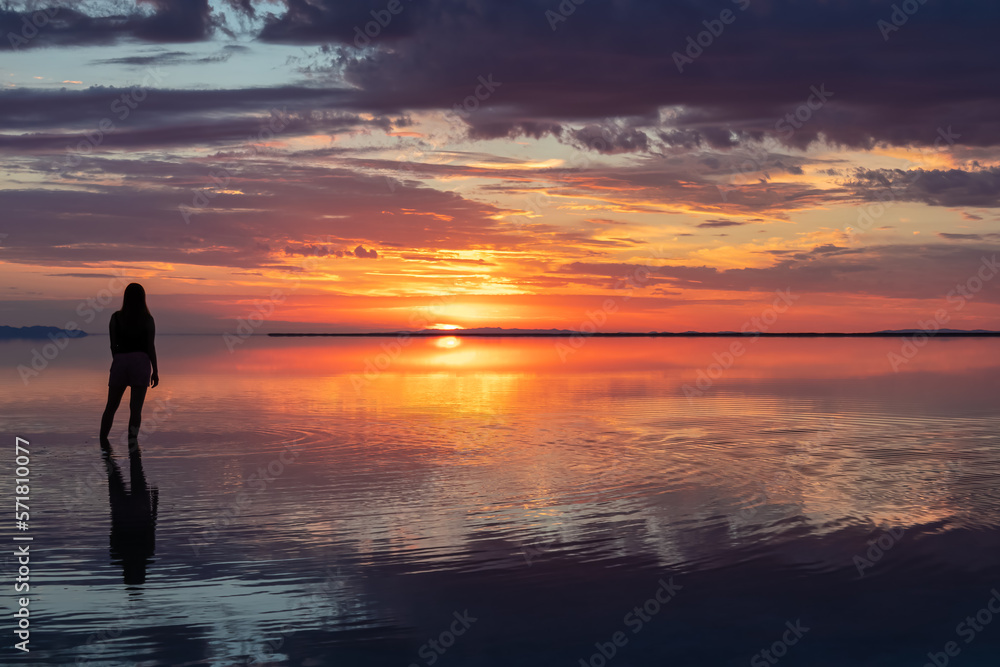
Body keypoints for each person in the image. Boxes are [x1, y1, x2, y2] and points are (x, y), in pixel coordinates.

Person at [100, 283, 159, 447]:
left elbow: (113, 344)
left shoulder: (116, 318)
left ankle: (102, 442)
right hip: (141, 362)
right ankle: (132, 445)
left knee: (111, 406)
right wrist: (155, 371)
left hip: (120, 361)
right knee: (136, 409)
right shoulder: (147, 319)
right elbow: (150, 346)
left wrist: (118, 360)